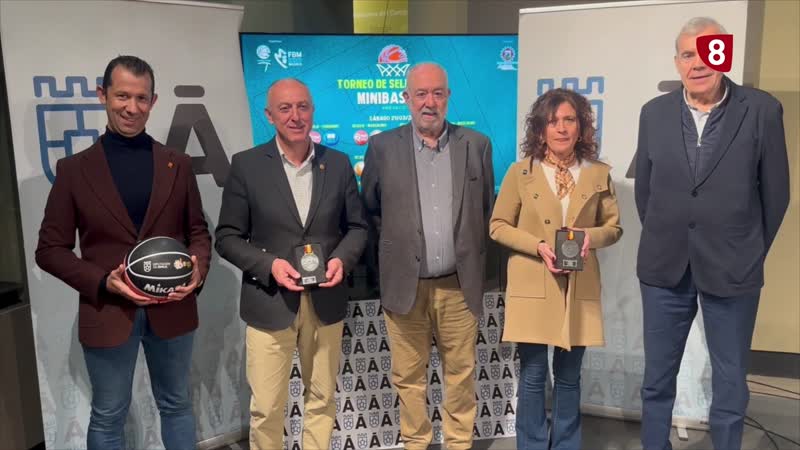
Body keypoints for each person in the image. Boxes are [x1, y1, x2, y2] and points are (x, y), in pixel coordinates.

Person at [35, 55, 211, 450]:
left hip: (173, 307)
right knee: (109, 414)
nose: (132, 108)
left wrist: (197, 273)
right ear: (103, 95)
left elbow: (198, 232)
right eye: (122, 96)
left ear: (154, 101)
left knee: (177, 404)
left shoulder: (176, 164)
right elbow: (49, 249)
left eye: (142, 98)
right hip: (108, 311)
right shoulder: (74, 170)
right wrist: (103, 282)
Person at [635, 17, 790, 450]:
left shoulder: (760, 110)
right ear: (677, 62)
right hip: (665, 269)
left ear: (724, 54)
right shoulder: (654, 113)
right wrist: (677, 236)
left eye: (709, 51)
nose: (698, 62)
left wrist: (748, 249)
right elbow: (646, 193)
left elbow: (776, 196)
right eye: (688, 54)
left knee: (729, 382)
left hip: (733, 268)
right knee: (657, 380)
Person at [215, 78, 367, 450]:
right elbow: (227, 237)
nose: (296, 116)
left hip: (325, 303)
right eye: (285, 108)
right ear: (269, 115)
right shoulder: (247, 166)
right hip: (269, 302)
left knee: (322, 400)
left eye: (303, 106)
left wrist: (341, 261)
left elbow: (359, 228)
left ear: (313, 111)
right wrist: (269, 266)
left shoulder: (339, 163)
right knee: (267, 408)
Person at [361, 62, 494, 450]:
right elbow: (371, 210)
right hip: (405, 285)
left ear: (449, 96)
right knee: (408, 377)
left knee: (461, 374)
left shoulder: (477, 144)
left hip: (458, 284)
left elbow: (484, 209)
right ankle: (415, 442)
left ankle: (458, 444)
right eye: (420, 94)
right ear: (406, 98)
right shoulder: (381, 147)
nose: (429, 102)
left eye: (437, 93)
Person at [490, 88, 622, 449]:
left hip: (579, 287)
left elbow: (614, 228)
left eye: (569, 120)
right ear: (540, 129)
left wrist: (587, 237)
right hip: (534, 283)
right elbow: (498, 225)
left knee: (569, 377)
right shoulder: (521, 173)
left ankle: (566, 444)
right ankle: (531, 444)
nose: (561, 128)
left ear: (581, 127)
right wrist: (538, 246)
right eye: (553, 121)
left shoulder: (598, 174)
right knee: (533, 375)